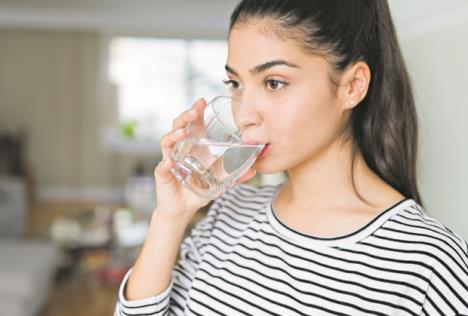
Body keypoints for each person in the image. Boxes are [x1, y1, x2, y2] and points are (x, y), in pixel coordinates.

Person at [114, 0, 468, 315]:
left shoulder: (428, 263)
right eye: (235, 84)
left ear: (352, 86)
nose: (244, 115)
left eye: (273, 82)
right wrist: (170, 218)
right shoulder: (228, 211)